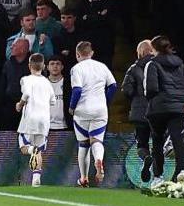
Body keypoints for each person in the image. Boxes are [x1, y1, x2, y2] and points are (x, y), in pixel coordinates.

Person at [144, 35, 184, 183]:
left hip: (158, 108)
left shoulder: (152, 64)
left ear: (154, 49)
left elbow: (151, 88)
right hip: (178, 108)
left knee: (157, 141)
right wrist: (182, 102)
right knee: (178, 139)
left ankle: (158, 176)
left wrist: (152, 100)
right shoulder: (180, 64)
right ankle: (181, 171)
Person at [68, 41, 116, 186]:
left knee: (83, 144)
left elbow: (77, 90)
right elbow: (113, 86)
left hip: (82, 110)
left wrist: (71, 107)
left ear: (77, 54)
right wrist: (105, 101)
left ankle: (83, 178)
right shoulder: (102, 66)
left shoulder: (76, 69)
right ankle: (99, 159)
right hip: (100, 110)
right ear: (92, 53)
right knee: (97, 140)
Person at [122, 40, 159, 183]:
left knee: (142, 144)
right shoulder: (160, 66)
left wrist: (136, 98)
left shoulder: (134, 68)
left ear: (139, 52)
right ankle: (158, 176)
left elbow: (126, 89)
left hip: (139, 113)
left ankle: (146, 157)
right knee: (158, 143)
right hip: (157, 111)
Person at [16, 52, 55, 185]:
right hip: (44, 120)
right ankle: (36, 178)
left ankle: (32, 150)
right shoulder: (47, 82)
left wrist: (20, 105)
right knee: (39, 147)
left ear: (29, 66)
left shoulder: (26, 79)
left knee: (24, 147)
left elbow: (26, 93)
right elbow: (53, 101)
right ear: (44, 66)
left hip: (30, 119)